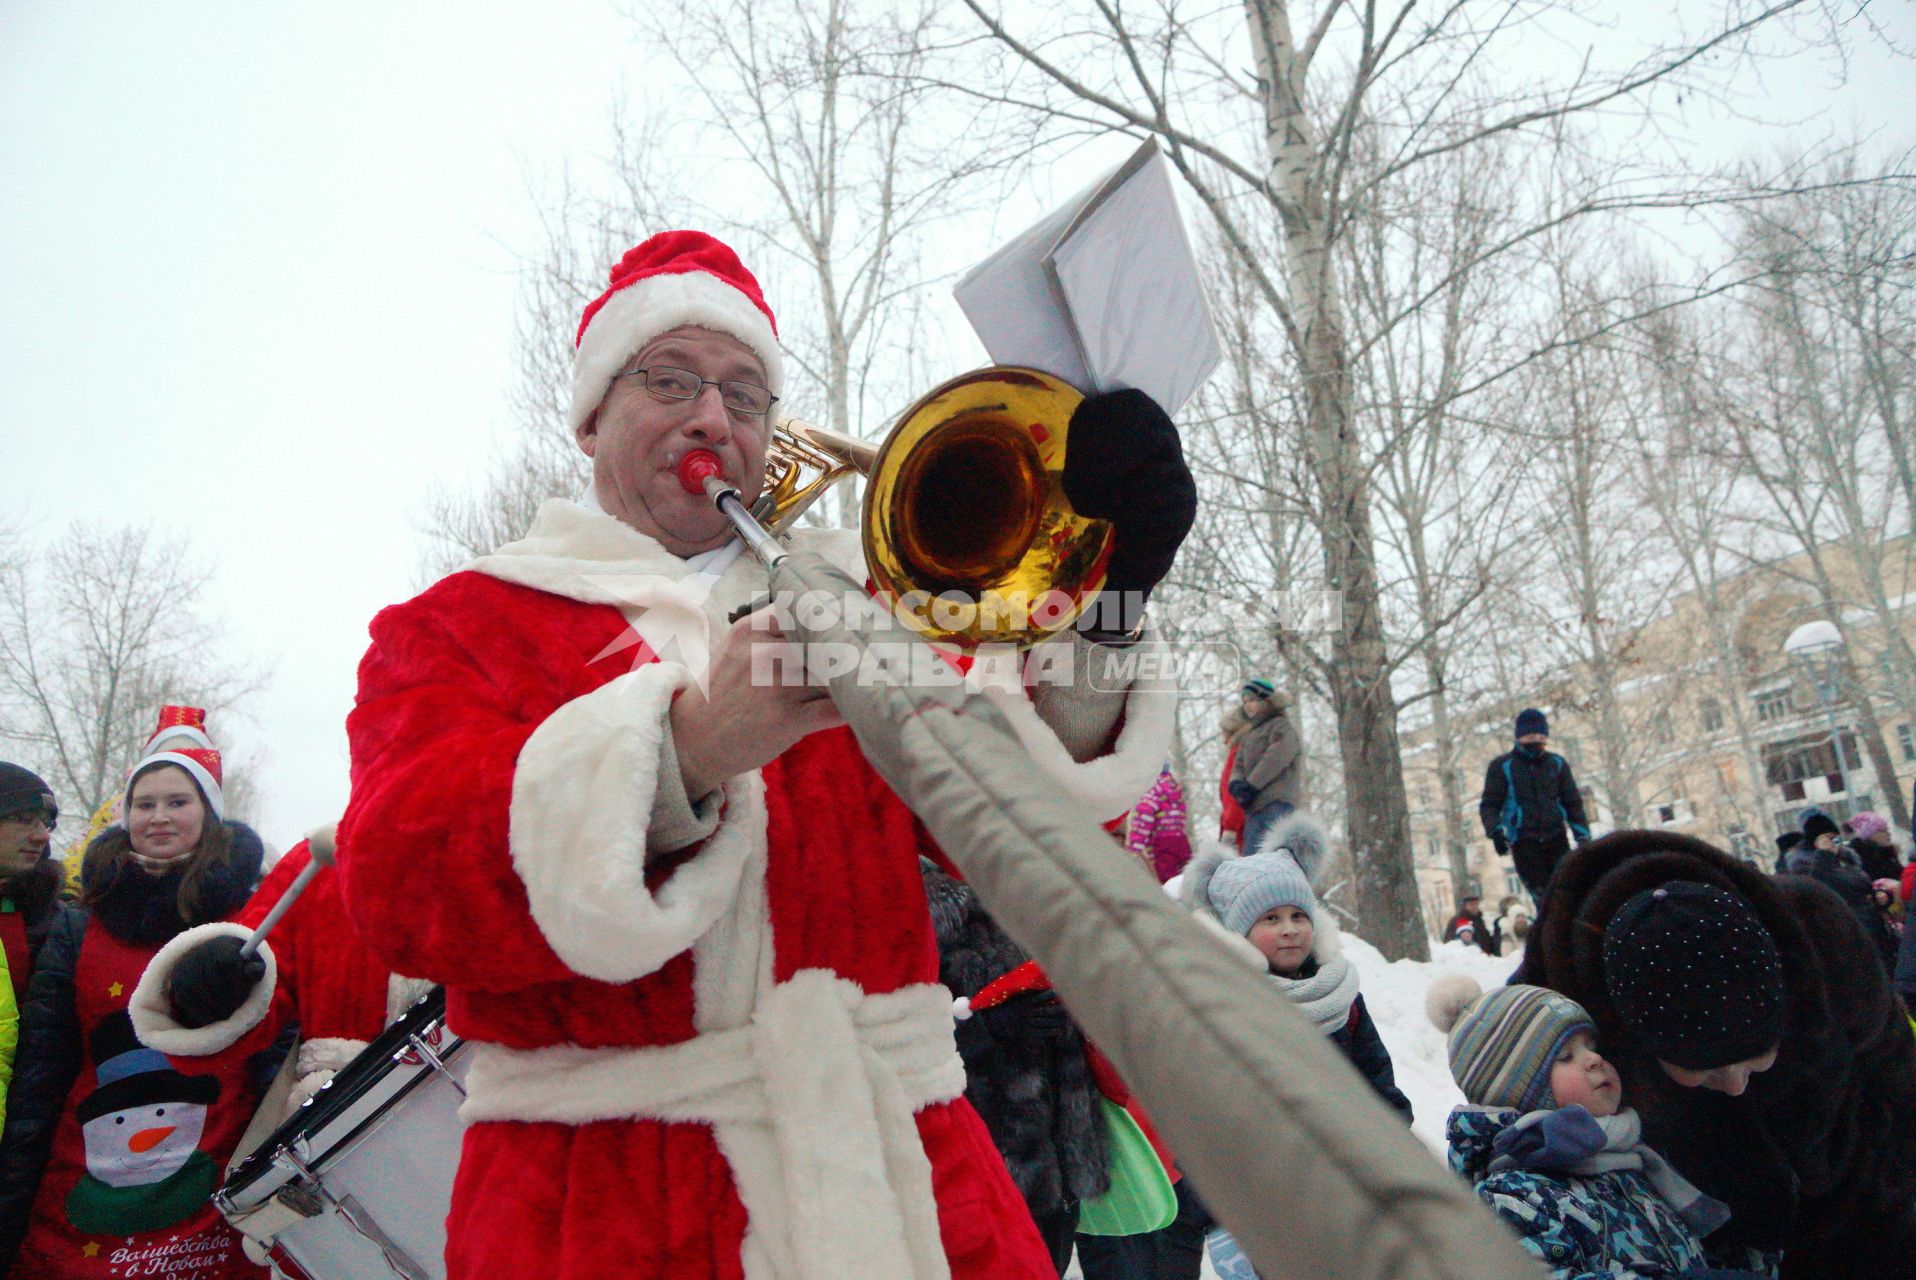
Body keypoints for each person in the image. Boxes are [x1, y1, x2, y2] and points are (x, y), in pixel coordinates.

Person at [334, 230, 1190, 1280]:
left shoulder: (867, 600)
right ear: (591, 413)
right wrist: (686, 746)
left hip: (910, 1181)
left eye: (745, 395)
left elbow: (1038, 822)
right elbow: (399, 887)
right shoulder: (457, 622)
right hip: (595, 1205)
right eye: (670, 379)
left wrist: (1105, 606)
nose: (712, 417)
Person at [1517, 828, 1916, 1276]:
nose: (1734, 1084)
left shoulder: (1817, 927)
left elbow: (1897, 1080)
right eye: (1701, 1069)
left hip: (1871, 1210)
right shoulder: (1557, 1013)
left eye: (1757, 1055)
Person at [0, 739, 281, 1277]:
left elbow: (274, 1056)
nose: (158, 818)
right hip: (75, 1194)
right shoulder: (77, 923)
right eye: (144, 804)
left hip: (208, 1200)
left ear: (210, 813)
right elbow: (41, 1072)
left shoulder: (255, 917)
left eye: (178, 802)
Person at [1182, 816, 1411, 1278]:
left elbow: (1374, 1071)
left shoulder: (1340, 993)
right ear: (1237, 935)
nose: (1289, 929)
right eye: (1270, 919)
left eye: (1298, 915)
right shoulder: (1224, 1005)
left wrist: (1395, 1138)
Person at [1425, 978, 1765, 1280]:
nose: (1594, 1059)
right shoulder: (1514, 1195)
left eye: (1591, 1046)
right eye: (1566, 1057)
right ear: (1522, 1092)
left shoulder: (1634, 1160)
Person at [921, 857, 1106, 1275]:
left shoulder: (1034, 893)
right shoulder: (914, 898)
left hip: (1055, 1164)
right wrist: (983, 1028)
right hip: (974, 1170)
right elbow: (885, 1029)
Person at [1479, 708, 1590, 905]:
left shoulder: (1556, 763)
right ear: (1519, 737)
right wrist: (1496, 832)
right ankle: (1549, 931)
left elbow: (1572, 802)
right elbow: (1490, 804)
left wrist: (1582, 835)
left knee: (1568, 891)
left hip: (1556, 837)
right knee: (1544, 897)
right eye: (1530, 736)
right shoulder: (1503, 766)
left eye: (1541, 736)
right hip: (1524, 842)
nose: (1536, 741)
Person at [1792, 810, 1894, 971]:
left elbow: (1861, 886)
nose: (1834, 843)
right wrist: (1824, 855)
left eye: (1837, 839)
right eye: (1829, 839)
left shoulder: (1848, 858)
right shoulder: (1806, 865)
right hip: (1847, 934)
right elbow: (1818, 887)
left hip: (1873, 928)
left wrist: (1880, 896)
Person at [1226, 681, 1303, 870]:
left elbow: (1275, 758)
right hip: (1253, 809)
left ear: (1266, 700)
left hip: (1277, 803)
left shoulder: (1281, 727)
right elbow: (1239, 763)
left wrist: (1251, 785)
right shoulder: (1249, 734)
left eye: (1252, 700)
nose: (1248, 705)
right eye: (1244, 701)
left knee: (1277, 861)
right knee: (1253, 863)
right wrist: (1236, 783)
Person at [1125, 764, 1192, 883]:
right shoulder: (1172, 785)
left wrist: (1133, 849)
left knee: (1166, 884)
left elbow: (1143, 821)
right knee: (1184, 880)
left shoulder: (1151, 790)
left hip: (1161, 846)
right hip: (1181, 842)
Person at [1846, 811, 1902, 883]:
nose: (1889, 833)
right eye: (1884, 830)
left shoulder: (1887, 853)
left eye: (1887, 829)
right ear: (1870, 835)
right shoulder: (1865, 859)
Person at [1441, 887, 1497, 957]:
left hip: (1484, 957)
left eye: (1476, 904)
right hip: (1468, 957)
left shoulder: (1479, 920)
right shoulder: (1456, 920)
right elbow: (1449, 941)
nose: (1474, 907)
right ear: (1465, 906)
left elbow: (1485, 938)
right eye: (1471, 904)